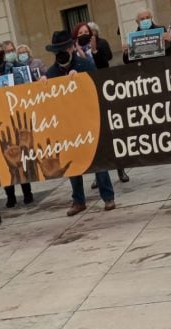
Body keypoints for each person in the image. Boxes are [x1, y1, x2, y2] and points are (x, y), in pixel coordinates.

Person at [45, 32, 116, 215]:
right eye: (57, 51)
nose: (61, 53)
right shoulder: (51, 73)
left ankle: (108, 197)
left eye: (64, 49)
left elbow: (96, 87)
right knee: (71, 163)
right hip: (66, 123)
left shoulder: (85, 64)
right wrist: (42, 87)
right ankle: (78, 201)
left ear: (71, 48)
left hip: (87, 119)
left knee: (98, 160)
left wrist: (81, 80)